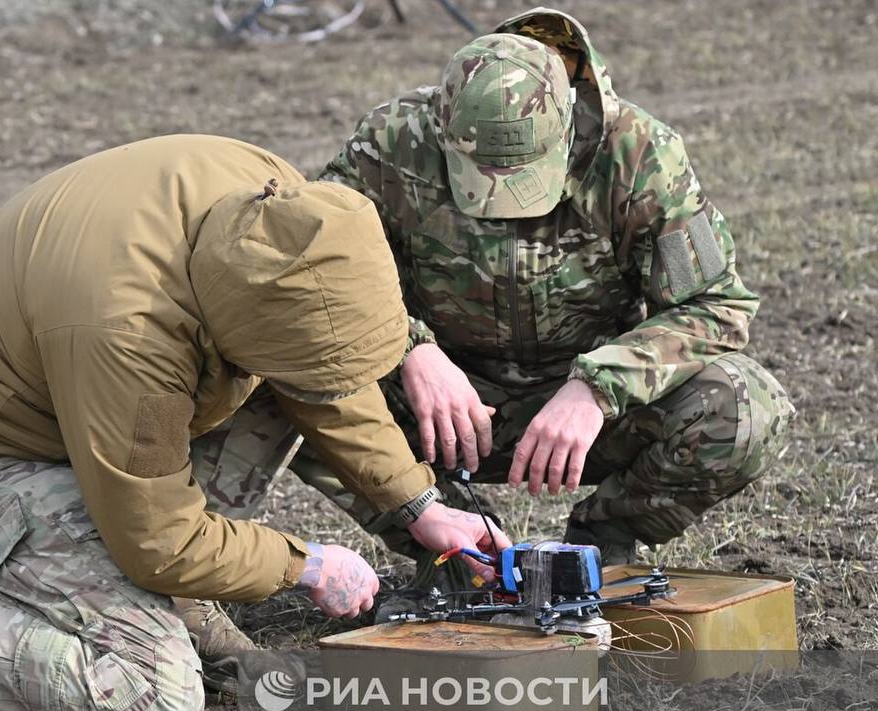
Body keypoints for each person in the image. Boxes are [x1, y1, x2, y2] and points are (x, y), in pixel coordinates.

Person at [0, 135, 507, 711]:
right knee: (150, 695)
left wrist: (417, 506)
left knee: (285, 390)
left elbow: (319, 356)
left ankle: (175, 606)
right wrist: (302, 563)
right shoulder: (128, 331)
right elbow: (155, 537)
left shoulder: (282, 216)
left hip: (77, 404)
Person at [314, 8, 793, 586]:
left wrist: (597, 386)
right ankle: (450, 547)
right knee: (291, 384)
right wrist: (412, 347)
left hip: (586, 412)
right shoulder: (391, 143)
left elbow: (716, 304)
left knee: (745, 405)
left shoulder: (639, 156)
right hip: (430, 407)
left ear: (568, 125)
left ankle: (599, 548)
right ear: (441, 126)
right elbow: (313, 273)